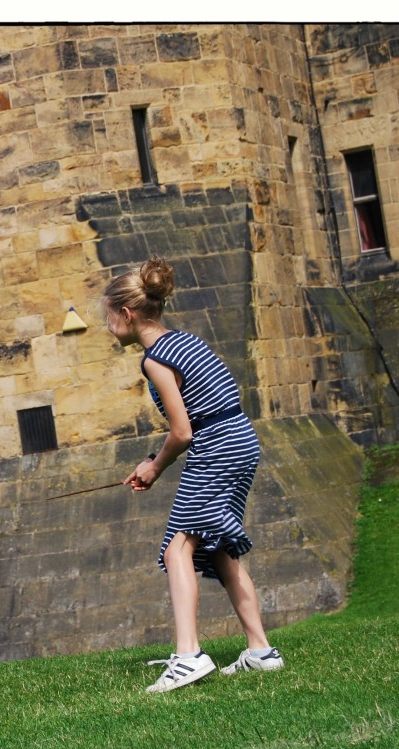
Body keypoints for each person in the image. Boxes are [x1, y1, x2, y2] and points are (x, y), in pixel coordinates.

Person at [103, 258, 284, 694]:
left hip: (217, 447)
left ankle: (189, 657)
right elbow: (203, 415)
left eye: (108, 318)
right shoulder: (185, 341)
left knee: (176, 549)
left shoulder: (155, 360)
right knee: (218, 549)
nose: (108, 328)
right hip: (241, 440)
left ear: (126, 314)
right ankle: (261, 651)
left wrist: (155, 466)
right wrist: (155, 458)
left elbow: (183, 431)